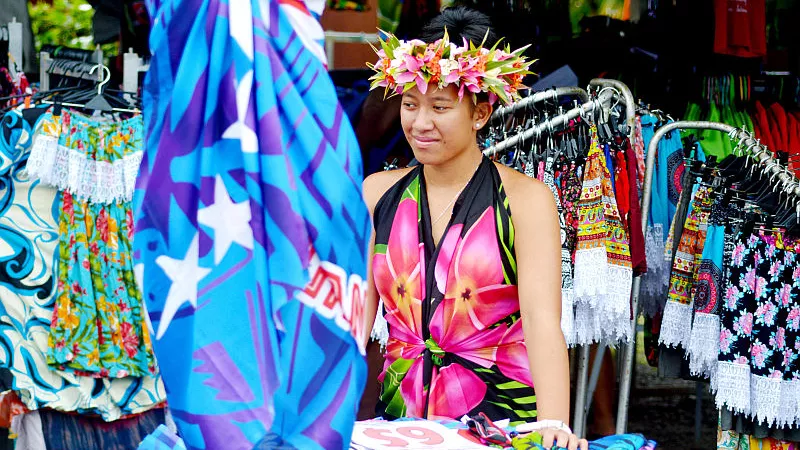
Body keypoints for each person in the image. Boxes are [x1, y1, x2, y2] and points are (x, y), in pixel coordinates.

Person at [361, 6, 589, 450]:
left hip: (500, 430)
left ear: (480, 113)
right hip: (398, 430)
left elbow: (543, 323)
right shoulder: (377, 194)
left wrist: (554, 426)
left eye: (439, 107)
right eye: (410, 104)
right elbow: (354, 324)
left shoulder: (527, 201)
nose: (420, 123)